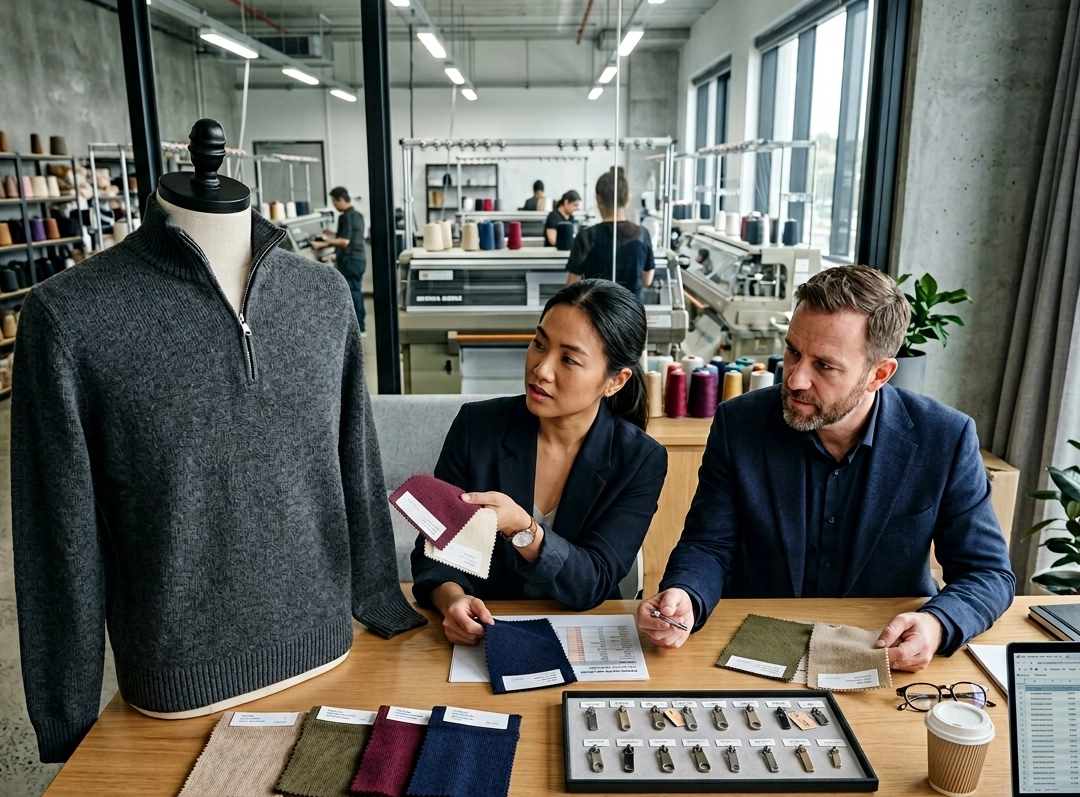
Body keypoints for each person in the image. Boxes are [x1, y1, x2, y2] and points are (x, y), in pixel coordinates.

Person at [637, 265, 1014, 673]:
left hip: (883, 647)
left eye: (825, 366)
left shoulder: (945, 438)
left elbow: (988, 572)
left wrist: (938, 623)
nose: (796, 379)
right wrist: (685, 593)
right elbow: (709, 544)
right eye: (793, 352)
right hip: (759, 640)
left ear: (879, 374)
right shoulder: (740, 424)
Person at [412, 279, 668, 645]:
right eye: (539, 344)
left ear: (615, 381)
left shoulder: (640, 460)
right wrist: (451, 598)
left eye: (568, 359)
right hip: (486, 634)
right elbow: (434, 550)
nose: (541, 369)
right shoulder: (477, 428)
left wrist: (523, 528)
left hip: (584, 640)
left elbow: (592, 582)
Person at [566, 167, 655, 300]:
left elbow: (572, 285)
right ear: (627, 199)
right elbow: (647, 280)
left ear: (598, 199)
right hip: (631, 313)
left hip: (596, 314)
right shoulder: (642, 234)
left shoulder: (585, 237)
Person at [313, 187, 367, 331]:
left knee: (352, 292)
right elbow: (349, 237)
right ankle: (360, 326)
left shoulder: (346, 216)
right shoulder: (357, 215)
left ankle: (358, 327)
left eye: (334, 202)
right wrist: (332, 234)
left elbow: (345, 241)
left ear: (341, 200)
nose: (334, 205)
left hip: (350, 260)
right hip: (358, 259)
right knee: (356, 290)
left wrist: (322, 244)